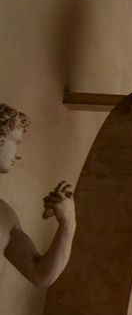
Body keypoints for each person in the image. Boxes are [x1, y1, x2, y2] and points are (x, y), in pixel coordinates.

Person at [0, 104, 76, 287]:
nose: (18, 155)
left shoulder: (4, 214)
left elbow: (41, 275)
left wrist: (68, 222)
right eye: (16, 142)